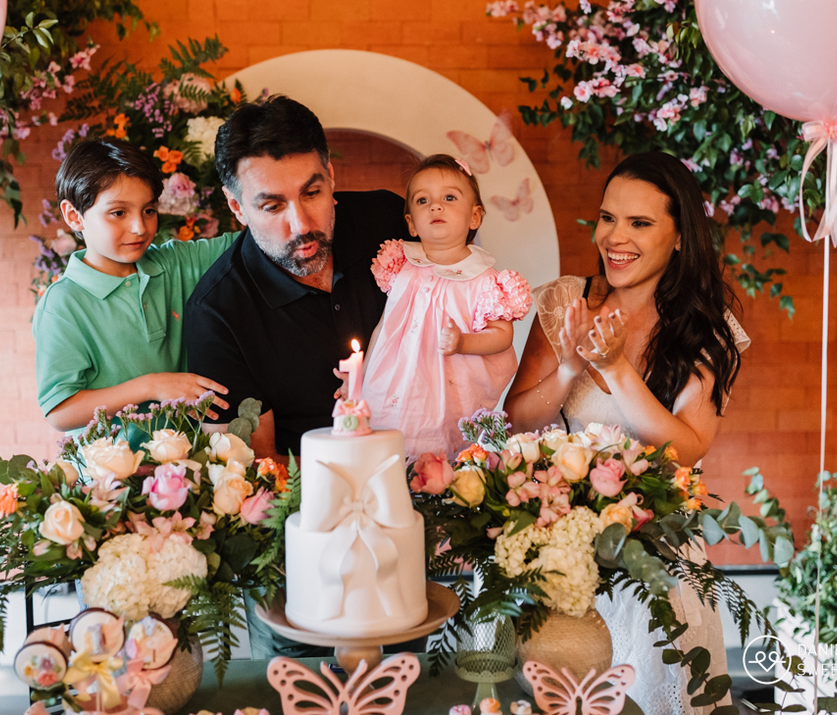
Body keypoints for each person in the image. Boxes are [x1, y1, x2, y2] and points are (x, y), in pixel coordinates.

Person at [504, 151, 749, 715]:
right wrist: (568, 368)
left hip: (658, 566)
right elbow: (517, 420)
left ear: (680, 236)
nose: (615, 237)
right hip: (562, 558)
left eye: (639, 223)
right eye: (608, 218)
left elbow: (685, 450)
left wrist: (615, 369)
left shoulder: (707, 329)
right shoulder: (566, 301)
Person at [183, 95, 410, 459]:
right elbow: (255, 465)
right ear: (236, 206)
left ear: (330, 175)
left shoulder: (387, 219)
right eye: (272, 206)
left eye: (312, 193)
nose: (301, 225)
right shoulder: (217, 314)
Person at [33, 138, 237, 434]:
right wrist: (151, 386)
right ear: (74, 216)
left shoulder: (176, 262)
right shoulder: (63, 304)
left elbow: (252, 243)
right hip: (110, 464)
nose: (140, 227)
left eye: (148, 210)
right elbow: (60, 411)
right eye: (119, 213)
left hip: (189, 459)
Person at [362, 154, 532, 459]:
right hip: (392, 386)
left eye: (449, 198)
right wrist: (360, 376)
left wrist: (463, 342)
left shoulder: (483, 279)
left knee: (436, 454)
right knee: (384, 449)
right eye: (423, 200)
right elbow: (384, 328)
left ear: (474, 217)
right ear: (411, 224)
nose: (435, 206)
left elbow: (502, 336)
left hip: (445, 390)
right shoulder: (403, 267)